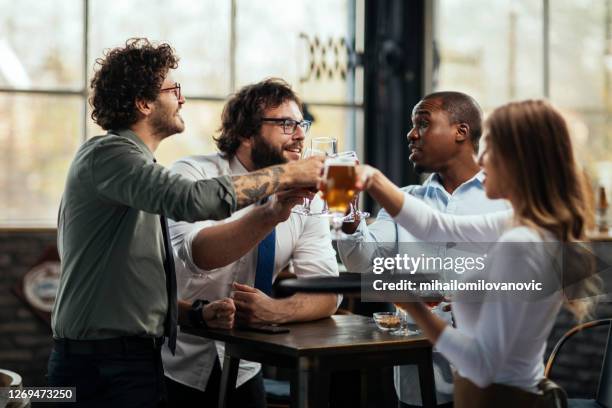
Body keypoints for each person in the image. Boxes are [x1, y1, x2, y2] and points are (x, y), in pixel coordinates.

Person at [47, 40, 323, 407]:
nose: (182, 99)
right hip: (101, 364)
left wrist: (194, 312)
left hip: (126, 358)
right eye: (173, 89)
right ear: (144, 103)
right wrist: (287, 175)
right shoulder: (110, 155)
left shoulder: (136, 173)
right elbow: (193, 201)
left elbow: (133, 285)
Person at [357, 99, 600, 407]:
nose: (481, 159)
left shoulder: (521, 246)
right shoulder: (523, 224)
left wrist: (414, 307)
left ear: (517, 161)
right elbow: (437, 225)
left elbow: (482, 367)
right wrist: (373, 180)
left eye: (490, 148)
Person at [161, 78, 339, 407]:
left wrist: (278, 310)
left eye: (302, 124)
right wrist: (271, 213)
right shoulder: (192, 175)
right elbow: (200, 254)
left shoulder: (310, 197)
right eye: (287, 124)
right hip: (175, 363)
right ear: (245, 131)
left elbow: (328, 290)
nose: (300, 134)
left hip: (245, 367)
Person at [337, 91, 509, 407]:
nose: (411, 134)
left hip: (491, 380)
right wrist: (348, 216)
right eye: (413, 124)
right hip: (418, 377)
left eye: (424, 123)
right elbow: (362, 262)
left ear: (461, 132)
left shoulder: (506, 200)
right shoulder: (405, 199)